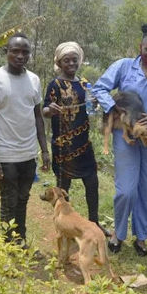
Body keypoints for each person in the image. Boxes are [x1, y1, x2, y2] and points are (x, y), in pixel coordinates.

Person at [92, 23, 147, 256]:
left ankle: (141, 238)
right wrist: (116, 110)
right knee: (126, 190)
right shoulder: (123, 67)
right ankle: (118, 234)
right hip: (126, 135)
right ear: (139, 47)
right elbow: (100, 88)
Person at [0, 32, 50, 247]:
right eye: (15, 51)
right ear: (6, 52)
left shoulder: (34, 80)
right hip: (6, 154)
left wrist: (45, 150)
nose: (20, 56)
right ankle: (8, 244)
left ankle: (19, 241)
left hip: (28, 154)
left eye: (25, 52)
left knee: (23, 199)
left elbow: (38, 117)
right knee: (8, 201)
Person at [42, 41, 110, 237]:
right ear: (59, 62)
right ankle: (64, 226)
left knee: (92, 183)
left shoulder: (84, 84)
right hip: (63, 146)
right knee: (63, 188)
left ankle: (94, 223)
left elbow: (93, 108)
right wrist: (51, 109)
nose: (71, 63)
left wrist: (96, 103)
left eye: (74, 60)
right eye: (66, 60)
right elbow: (45, 110)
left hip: (83, 144)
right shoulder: (54, 84)